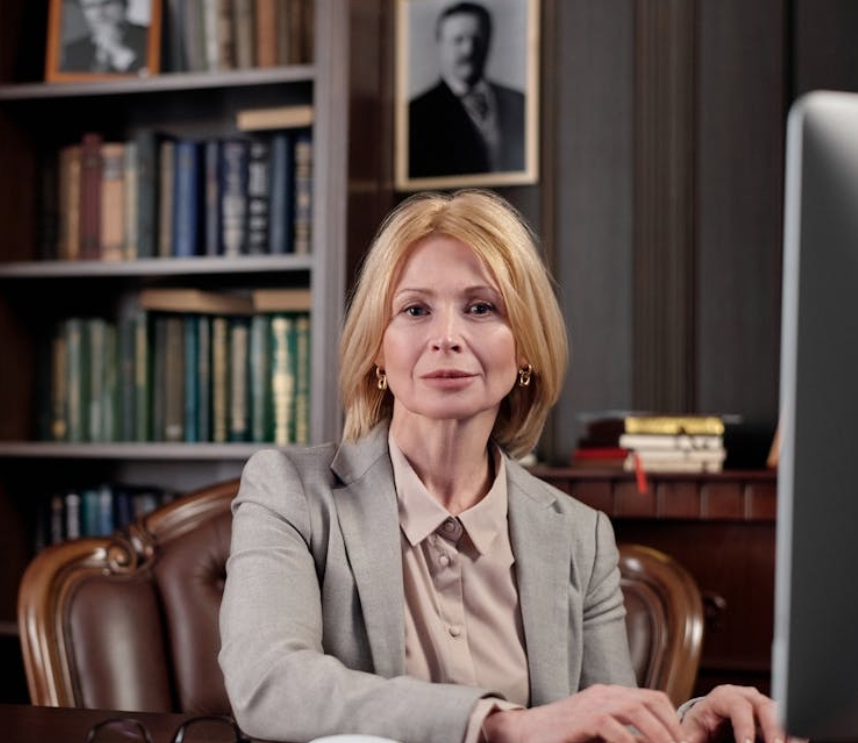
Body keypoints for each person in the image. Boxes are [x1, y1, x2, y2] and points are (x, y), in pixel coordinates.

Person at [218, 190, 787, 743]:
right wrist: (497, 724)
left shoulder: (578, 536)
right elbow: (268, 683)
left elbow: (608, 721)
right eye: (415, 309)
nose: (447, 337)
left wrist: (688, 726)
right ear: (376, 352)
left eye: (481, 308)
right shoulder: (289, 491)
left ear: (525, 351)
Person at [408, 2, 526, 178]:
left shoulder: (519, 102)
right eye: (458, 40)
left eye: (476, 39)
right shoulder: (417, 113)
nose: (468, 50)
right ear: (440, 44)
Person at [61, 0, 148, 74]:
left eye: (107, 3)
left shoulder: (150, 38)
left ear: (125, 5)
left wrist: (118, 51)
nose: (98, 13)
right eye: (90, 6)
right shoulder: (73, 50)